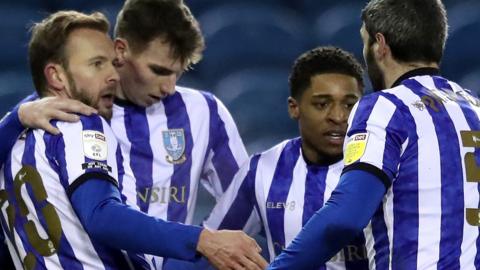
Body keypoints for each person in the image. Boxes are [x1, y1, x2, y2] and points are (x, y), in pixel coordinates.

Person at [0, 0, 265, 269]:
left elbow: (245, 201)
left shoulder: (203, 112)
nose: (169, 87)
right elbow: (102, 216)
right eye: (158, 70)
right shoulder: (65, 114)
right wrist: (17, 117)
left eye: (178, 73)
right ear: (121, 51)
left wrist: (195, 259)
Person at [268, 0, 480, 269]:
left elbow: (345, 217)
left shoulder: (387, 106)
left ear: (380, 45)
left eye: (364, 42)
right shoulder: (473, 107)